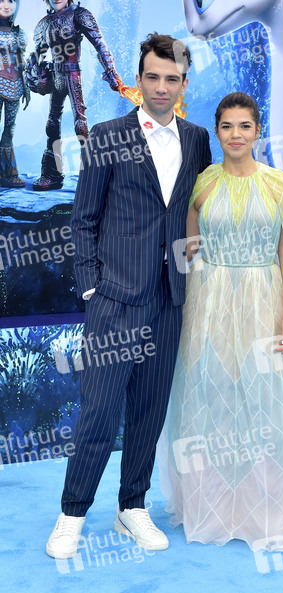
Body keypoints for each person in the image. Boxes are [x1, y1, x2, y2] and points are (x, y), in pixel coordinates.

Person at [46, 32, 211, 559]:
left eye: (172, 79)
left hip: (170, 297)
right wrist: (92, 286)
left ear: (183, 84)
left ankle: (131, 506)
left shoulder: (198, 139)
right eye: (152, 77)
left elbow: (193, 213)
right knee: (98, 410)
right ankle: (72, 513)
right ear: (138, 80)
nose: (161, 87)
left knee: (149, 410)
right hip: (114, 298)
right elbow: (83, 219)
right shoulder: (107, 135)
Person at [158, 92, 283, 551]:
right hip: (209, 302)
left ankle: (269, 509)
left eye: (245, 126)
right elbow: (187, 247)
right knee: (211, 397)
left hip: (264, 299)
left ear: (257, 130)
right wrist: (182, 297)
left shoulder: (280, 185)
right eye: (227, 126)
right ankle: (213, 505)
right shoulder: (202, 183)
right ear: (217, 131)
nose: (235, 135)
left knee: (267, 401)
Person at [26, 0, 120, 191]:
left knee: (80, 125)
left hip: (73, 75)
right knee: (52, 124)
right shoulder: (45, 23)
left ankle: (95, 175)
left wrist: (111, 71)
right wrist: (33, 73)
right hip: (56, 76)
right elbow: (38, 53)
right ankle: (52, 174)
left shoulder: (79, 14)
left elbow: (99, 44)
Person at [0, 0, 30, 188]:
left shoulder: (19, 34)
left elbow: (21, 62)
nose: (6, 5)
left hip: (15, 86)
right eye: (1, 0)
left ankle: (8, 173)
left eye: (11, 0)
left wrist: (26, 87)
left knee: (9, 131)